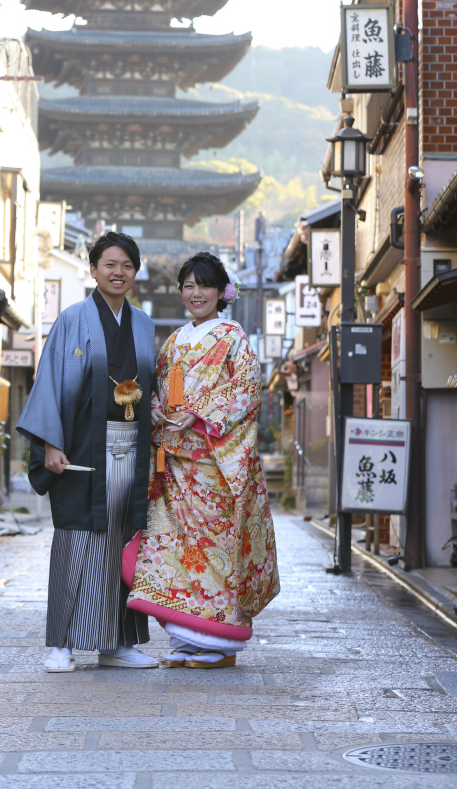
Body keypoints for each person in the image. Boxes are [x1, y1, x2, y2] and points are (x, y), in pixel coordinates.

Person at [126, 251, 279, 667]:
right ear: (181, 292)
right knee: (175, 550)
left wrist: (199, 412)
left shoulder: (232, 336)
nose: (196, 294)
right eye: (189, 286)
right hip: (174, 462)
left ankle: (219, 643)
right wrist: (155, 409)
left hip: (213, 465)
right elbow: (157, 386)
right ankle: (186, 639)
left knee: (215, 551)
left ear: (221, 292)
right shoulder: (175, 340)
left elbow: (246, 390)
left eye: (205, 285)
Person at [16, 231, 158, 672]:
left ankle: (116, 644)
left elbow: (153, 394)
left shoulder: (145, 326)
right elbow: (51, 383)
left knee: (121, 542)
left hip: (130, 453)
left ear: (136, 272)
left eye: (127, 266)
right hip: (81, 450)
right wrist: (51, 443)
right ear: (93, 269)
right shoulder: (73, 319)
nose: (119, 273)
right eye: (110, 264)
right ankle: (61, 643)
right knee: (76, 541)